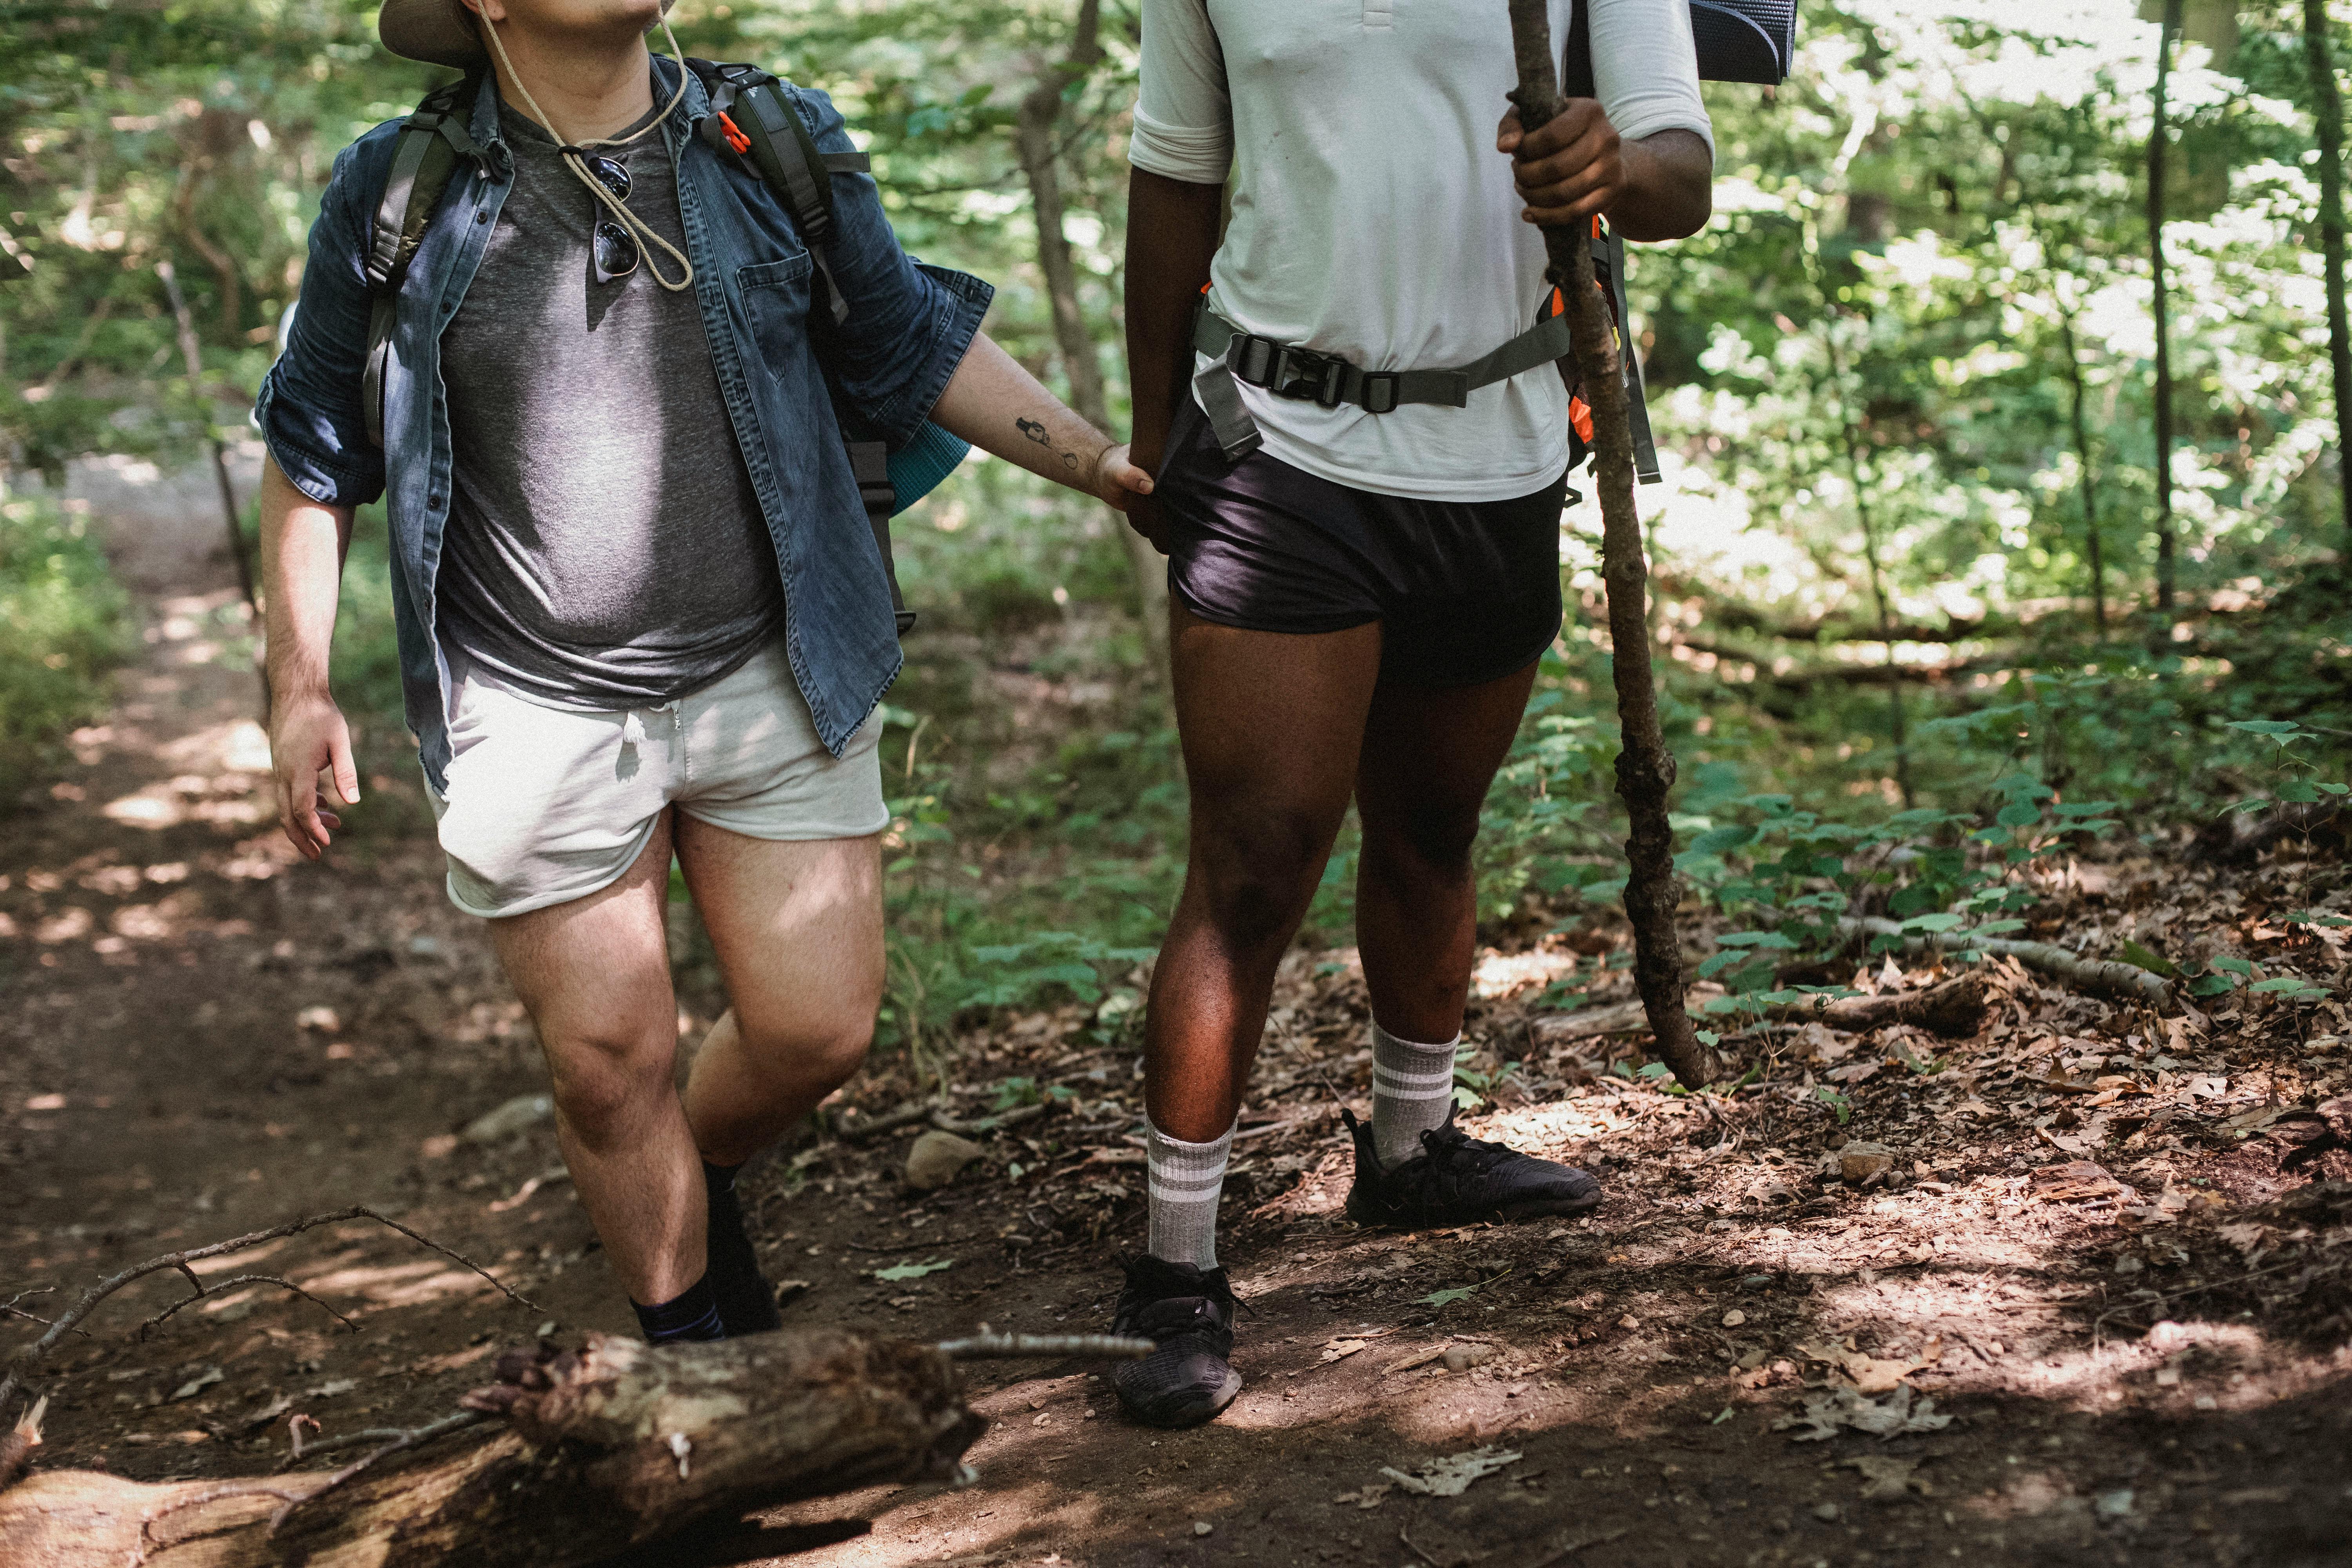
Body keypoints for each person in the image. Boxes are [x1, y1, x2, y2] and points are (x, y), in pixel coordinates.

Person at [257, 0, 1149, 1345]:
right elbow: (315, 447)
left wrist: (1099, 464)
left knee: (816, 1034)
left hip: (773, 662)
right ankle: (692, 1372)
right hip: (532, 695)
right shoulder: (401, 192)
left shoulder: (765, 140)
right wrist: (298, 687)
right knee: (609, 1067)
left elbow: (908, 342)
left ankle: (702, 1177)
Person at [1107, 0, 1715, 1426]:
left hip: (1497, 452)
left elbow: (1683, 174)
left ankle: (1413, 1147)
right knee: (1255, 865)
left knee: (1436, 826)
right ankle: (1174, 1266)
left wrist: (1608, 166)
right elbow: (1174, 175)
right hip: (1279, 445)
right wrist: (1151, 431)